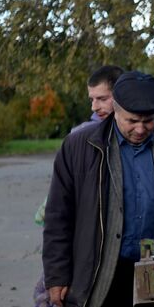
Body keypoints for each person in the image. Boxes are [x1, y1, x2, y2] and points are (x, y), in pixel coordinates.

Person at [43, 71, 154, 307]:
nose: (140, 129)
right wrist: (57, 275)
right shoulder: (79, 148)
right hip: (102, 275)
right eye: (132, 121)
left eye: (148, 121)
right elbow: (59, 216)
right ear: (115, 109)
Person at [36, 65, 123, 227]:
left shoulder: (149, 130)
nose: (94, 107)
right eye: (92, 99)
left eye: (102, 99)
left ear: (122, 95)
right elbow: (64, 189)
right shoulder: (80, 136)